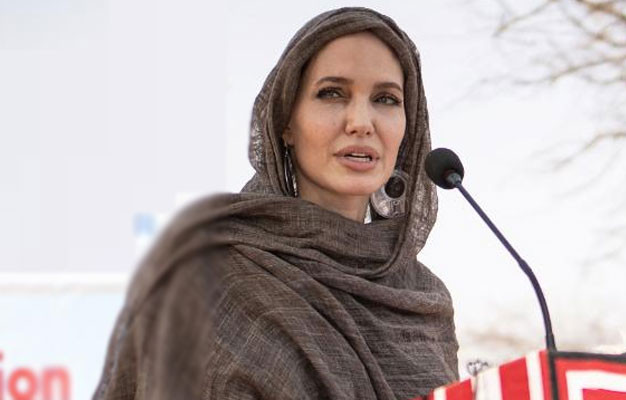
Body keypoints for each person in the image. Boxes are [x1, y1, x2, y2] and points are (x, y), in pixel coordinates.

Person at [92, 7, 458, 400]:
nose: (361, 122)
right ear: (286, 123)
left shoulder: (423, 301)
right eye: (332, 93)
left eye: (386, 99)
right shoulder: (211, 280)